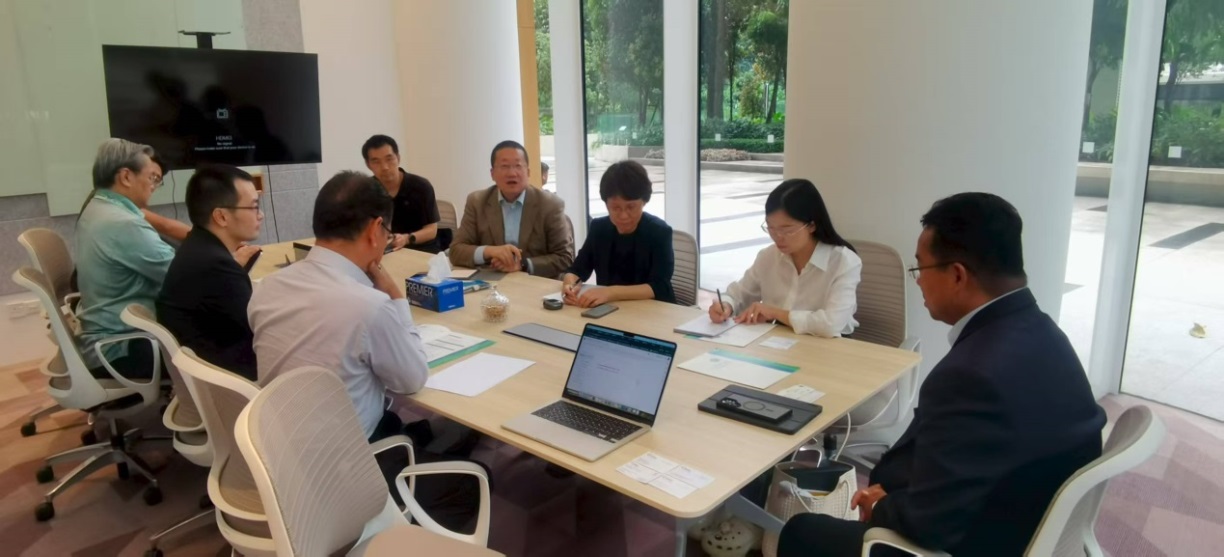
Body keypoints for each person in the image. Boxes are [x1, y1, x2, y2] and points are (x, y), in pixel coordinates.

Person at [777, 193, 1107, 557]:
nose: (918, 281)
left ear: (957, 275)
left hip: (983, 540)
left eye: (920, 268)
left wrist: (883, 504)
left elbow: (930, 525)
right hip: (1027, 513)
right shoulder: (1043, 331)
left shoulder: (971, 375)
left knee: (802, 532)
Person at [248, 171, 482, 531]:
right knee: (475, 482)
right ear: (375, 230)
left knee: (410, 427)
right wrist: (396, 298)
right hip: (345, 472)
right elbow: (411, 380)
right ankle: (383, 538)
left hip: (283, 454)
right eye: (387, 233)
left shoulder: (266, 288)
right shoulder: (368, 306)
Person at [74, 139, 176, 378]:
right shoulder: (123, 223)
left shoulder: (96, 207)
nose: (154, 186)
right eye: (152, 178)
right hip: (121, 348)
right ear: (126, 177)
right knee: (218, 346)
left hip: (100, 338)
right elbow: (181, 276)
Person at [709, 179, 861, 337]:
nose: (778, 237)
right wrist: (725, 305)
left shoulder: (843, 262)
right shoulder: (768, 256)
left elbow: (831, 324)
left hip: (827, 345)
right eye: (771, 228)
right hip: (777, 340)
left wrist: (775, 313)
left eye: (787, 230)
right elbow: (738, 295)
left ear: (812, 225)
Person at [156, 164, 263, 380]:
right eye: (253, 207)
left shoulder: (198, 247)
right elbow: (260, 328)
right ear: (221, 217)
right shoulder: (216, 265)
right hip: (226, 379)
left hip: (203, 369)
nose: (261, 215)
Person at [449, 140, 574, 278]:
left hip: (534, 282)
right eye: (504, 166)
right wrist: (489, 251)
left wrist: (523, 265)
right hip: (491, 281)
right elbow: (456, 251)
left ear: (528, 172)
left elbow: (565, 257)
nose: (512, 173)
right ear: (492, 174)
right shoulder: (477, 202)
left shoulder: (550, 204)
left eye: (518, 166)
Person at [561, 160, 674, 306]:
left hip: (653, 310)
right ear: (606, 204)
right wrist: (569, 284)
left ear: (644, 201)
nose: (623, 216)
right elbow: (577, 270)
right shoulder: (599, 228)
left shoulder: (659, 232)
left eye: (631, 207)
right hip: (610, 309)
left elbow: (660, 286)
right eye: (615, 208)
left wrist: (610, 292)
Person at [362, 134, 443, 253]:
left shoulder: (421, 186)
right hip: (386, 252)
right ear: (368, 165)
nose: (385, 167)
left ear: (398, 158)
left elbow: (431, 230)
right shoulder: (366, 190)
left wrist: (406, 239)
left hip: (422, 250)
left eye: (389, 159)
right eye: (376, 162)